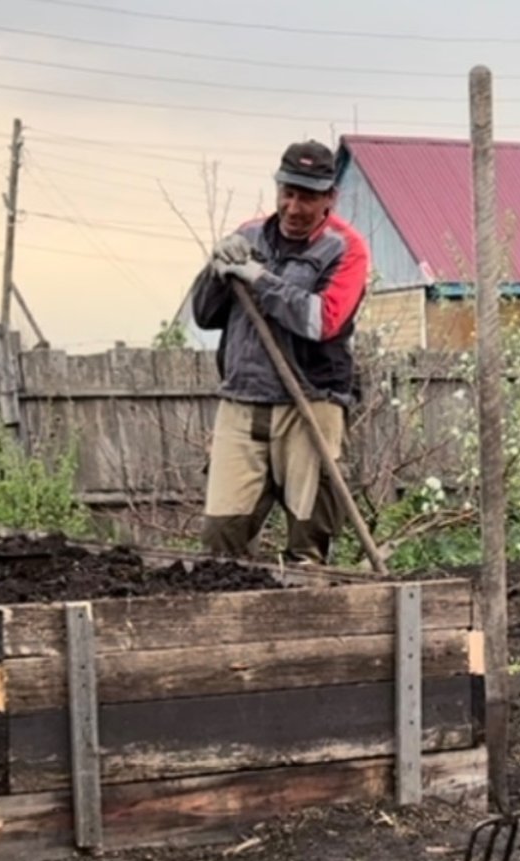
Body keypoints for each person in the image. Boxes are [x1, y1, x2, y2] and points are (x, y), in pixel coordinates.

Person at [189, 139, 369, 564]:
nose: (293, 206)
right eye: (287, 192)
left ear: (330, 198)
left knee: (308, 541)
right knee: (220, 539)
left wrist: (259, 278)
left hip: (310, 402)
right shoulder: (248, 234)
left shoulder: (346, 249)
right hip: (242, 399)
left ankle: (310, 616)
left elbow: (321, 322)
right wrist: (216, 270)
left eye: (307, 196)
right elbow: (204, 315)